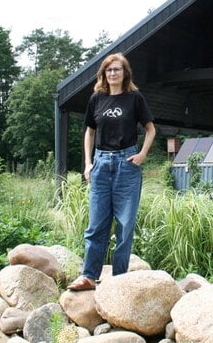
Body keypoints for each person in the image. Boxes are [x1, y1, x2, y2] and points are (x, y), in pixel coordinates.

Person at [67, 53, 156, 291]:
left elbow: (150, 129)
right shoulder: (97, 99)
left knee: (125, 225)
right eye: (109, 70)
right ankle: (89, 276)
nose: (113, 74)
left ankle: (118, 278)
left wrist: (142, 154)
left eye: (117, 69)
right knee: (97, 224)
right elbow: (89, 131)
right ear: (104, 74)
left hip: (127, 164)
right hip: (101, 163)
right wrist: (88, 163)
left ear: (125, 73)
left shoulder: (134, 98)